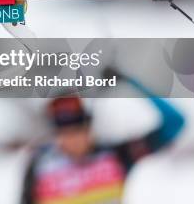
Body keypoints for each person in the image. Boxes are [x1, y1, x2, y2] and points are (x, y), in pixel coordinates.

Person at [20, 73, 185, 204]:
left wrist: (130, 82)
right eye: (64, 132)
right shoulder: (40, 164)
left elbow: (174, 122)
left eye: (77, 131)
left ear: (89, 128)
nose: (71, 139)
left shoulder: (117, 155)